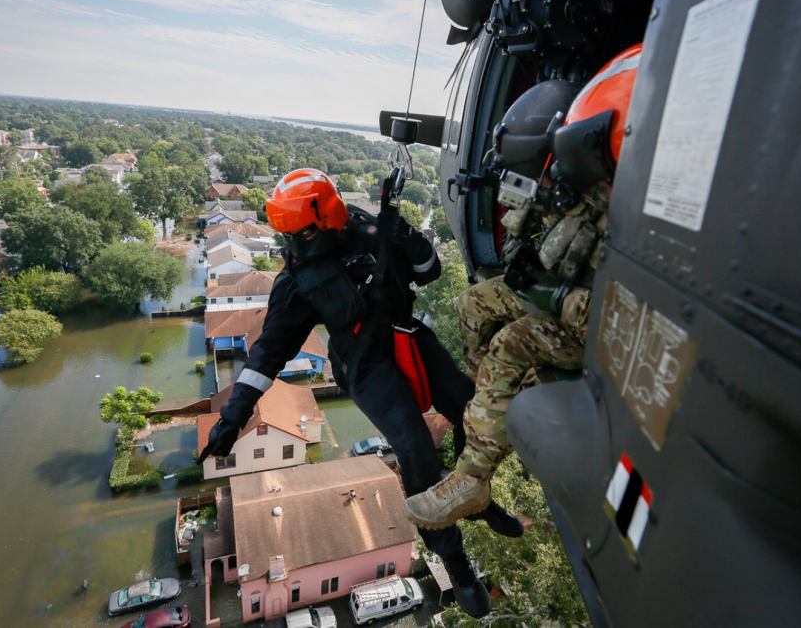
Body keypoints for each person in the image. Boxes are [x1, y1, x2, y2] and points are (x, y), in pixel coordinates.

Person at [197, 168, 519, 618]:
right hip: (364, 364)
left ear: (328, 217)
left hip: (406, 334)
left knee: (474, 413)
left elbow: (428, 272)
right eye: (287, 236)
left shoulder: (366, 228)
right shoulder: (297, 281)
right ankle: (456, 562)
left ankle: (477, 496)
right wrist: (233, 417)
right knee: (415, 448)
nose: (295, 245)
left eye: (303, 232)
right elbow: (267, 353)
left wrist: (406, 235)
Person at [404, 44, 641, 530]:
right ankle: (484, 402)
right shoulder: (585, 182)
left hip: (595, 325)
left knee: (510, 345)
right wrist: (523, 256)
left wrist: (549, 296)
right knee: (472, 303)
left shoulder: (639, 214)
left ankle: (473, 476)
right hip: (559, 291)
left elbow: (623, 317)